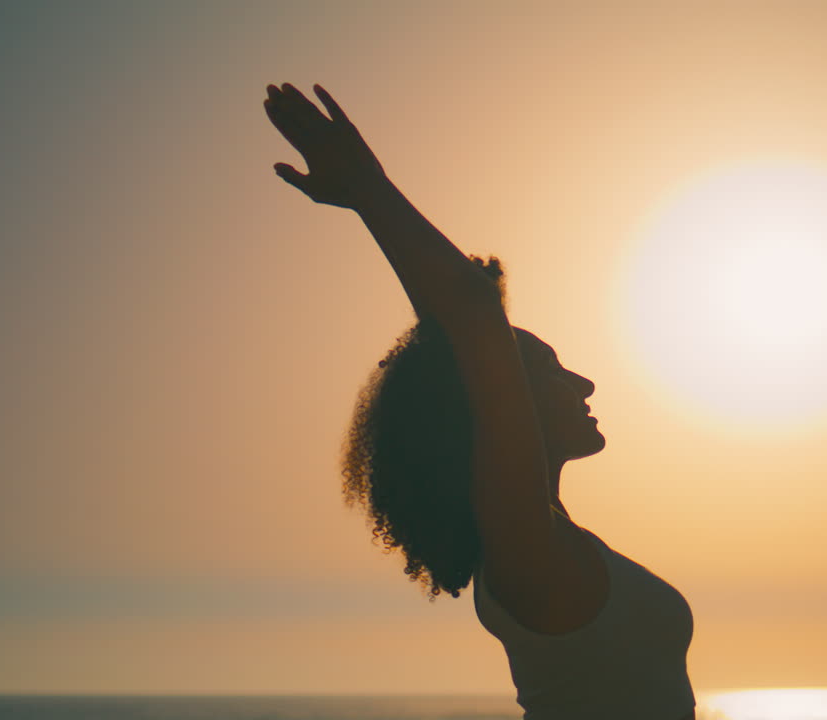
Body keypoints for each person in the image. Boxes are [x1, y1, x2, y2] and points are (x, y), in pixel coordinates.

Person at [264, 83, 696, 720]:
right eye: (548, 371)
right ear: (500, 402)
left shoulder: (545, 538)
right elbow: (471, 324)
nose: (583, 384)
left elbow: (464, 345)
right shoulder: (527, 547)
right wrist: (369, 192)